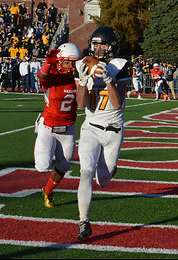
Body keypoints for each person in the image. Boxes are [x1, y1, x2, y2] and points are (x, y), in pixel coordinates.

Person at [75, 26, 133, 240]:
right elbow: (81, 106)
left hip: (114, 130)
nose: (99, 49)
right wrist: (82, 82)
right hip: (90, 127)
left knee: (104, 180)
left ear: (112, 47)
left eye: (104, 45)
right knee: (85, 172)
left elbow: (117, 104)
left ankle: (110, 168)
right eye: (96, 44)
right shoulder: (83, 64)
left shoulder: (121, 65)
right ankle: (84, 221)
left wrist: (109, 79)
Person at [34, 43, 82, 208]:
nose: (70, 66)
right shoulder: (52, 75)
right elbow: (42, 77)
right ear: (59, 61)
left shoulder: (79, 78)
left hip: (68, 128)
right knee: (42, 166)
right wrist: (47, 63)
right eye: (67, 62)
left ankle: (47, 191)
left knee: (64, 165)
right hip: (48, 126)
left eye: (73, 63)